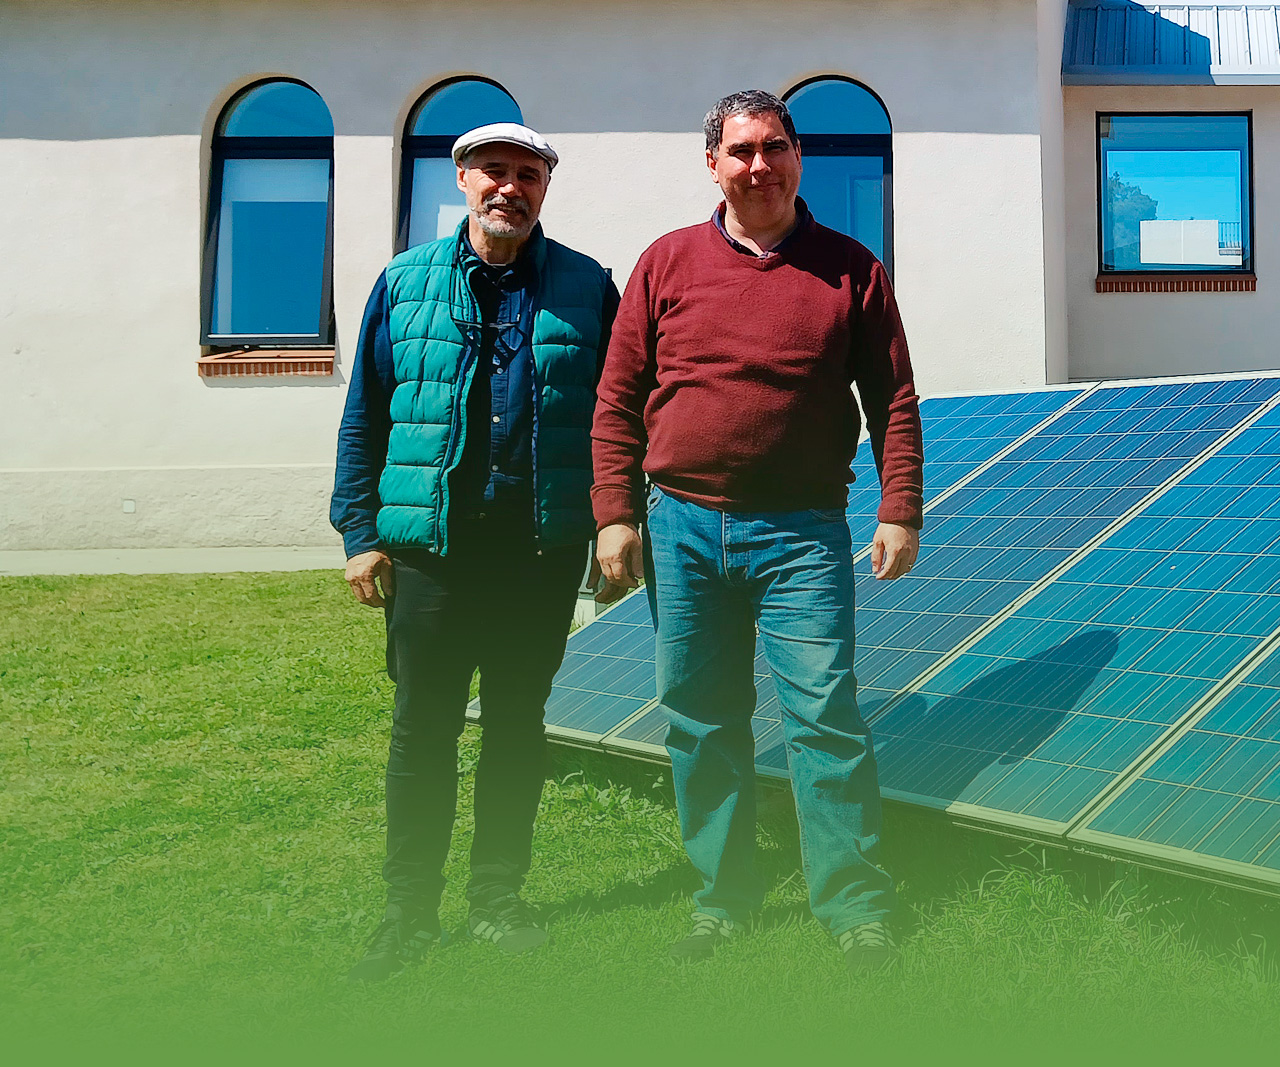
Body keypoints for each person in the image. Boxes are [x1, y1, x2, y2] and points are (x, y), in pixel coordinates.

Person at [591, 90, 924, 973]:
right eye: (740, 151)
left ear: (797, 156)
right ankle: (722, 898)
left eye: (775, 147)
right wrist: (615, 512)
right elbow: (618, 397)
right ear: (713, 164)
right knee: (701, 721)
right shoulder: (666, 263)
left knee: (824, 718)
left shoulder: (851, 269)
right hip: (682, 527)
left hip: (802, 537)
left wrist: (899, 506)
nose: (759, 165)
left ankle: (854, 905)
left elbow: (892, 398)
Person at [332, 122, 620, 982]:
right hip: (433, 554)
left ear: (544, 188)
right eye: (493, 171)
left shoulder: (586, 286)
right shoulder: (404, 281)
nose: (510, 188)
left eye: (528, 175)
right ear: (461, 179)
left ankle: (497, 897)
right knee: (422, 731)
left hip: (537, 552)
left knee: (517, 727)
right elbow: (365, 412)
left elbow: (618, 414)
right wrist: (359, 533)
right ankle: (408, 912)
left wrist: (616, 516)